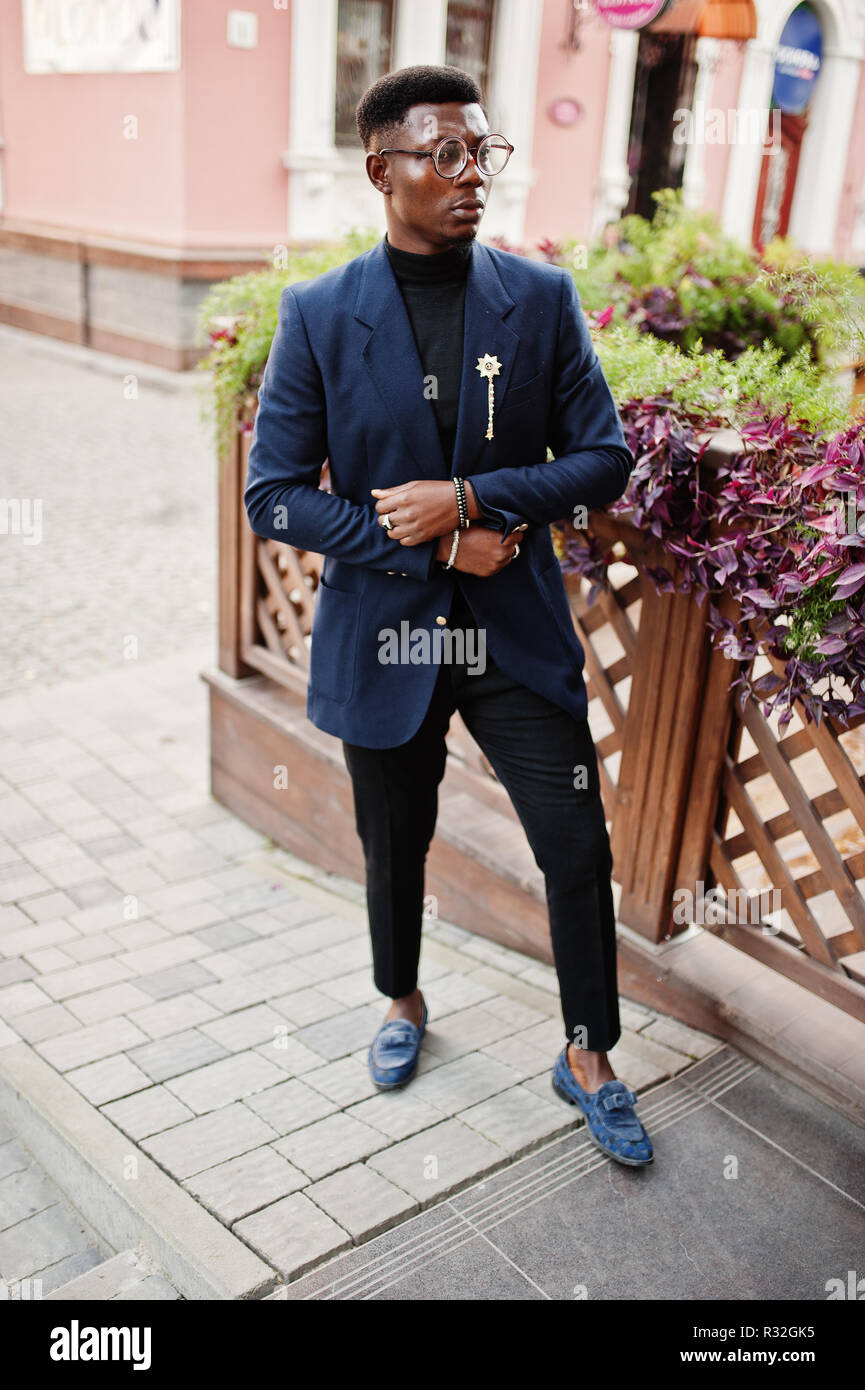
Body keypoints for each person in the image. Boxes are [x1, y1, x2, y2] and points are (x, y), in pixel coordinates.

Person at [245, 65, 653, 1166]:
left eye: (483, 152)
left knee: (574, 845)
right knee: (395, 845)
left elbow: (604, 460)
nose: (472, 175)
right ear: (383, 171)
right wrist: (419, 536)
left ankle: (587, 1054)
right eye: (444, 155)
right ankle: (401, 1000)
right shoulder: (320, 314)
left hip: (510, 633)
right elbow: (272, 491)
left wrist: (474, 499)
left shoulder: (539, 300)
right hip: (386, 633)